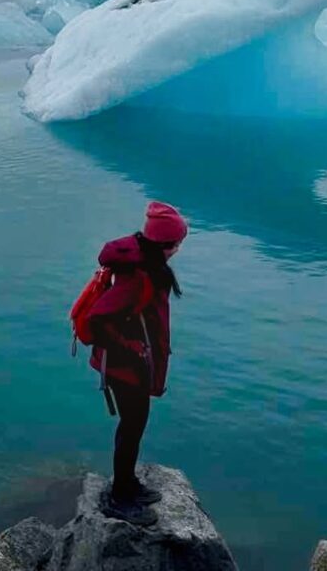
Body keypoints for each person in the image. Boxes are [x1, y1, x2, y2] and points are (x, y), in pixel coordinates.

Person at [87, 201, 188, 522]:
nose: (178, 249)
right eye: (176, 244)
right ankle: (119, 497)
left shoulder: (146, 265)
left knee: (134, 425)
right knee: (132, 427)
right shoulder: (138, 277)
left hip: (130, 365)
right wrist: (132, 349)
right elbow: (98, 317)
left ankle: (127, 483)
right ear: (165, 244)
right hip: (124, 367)